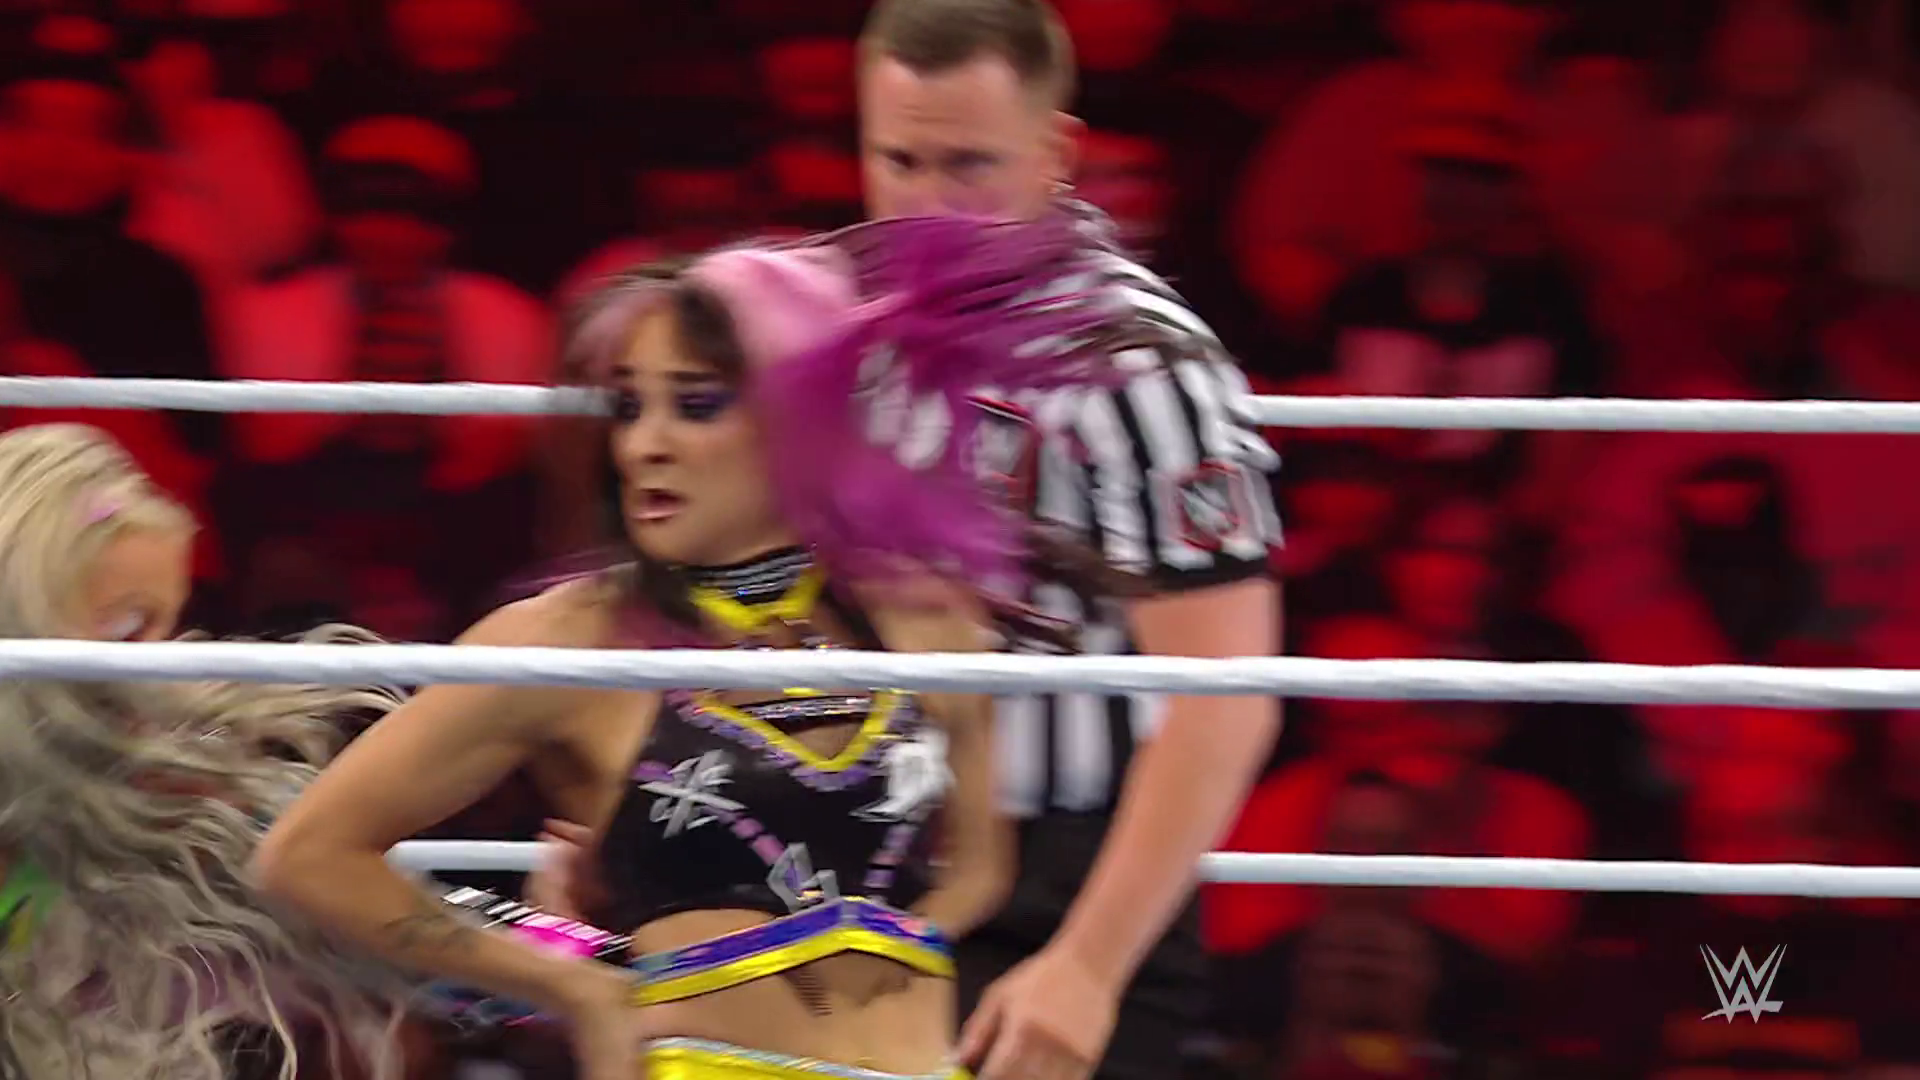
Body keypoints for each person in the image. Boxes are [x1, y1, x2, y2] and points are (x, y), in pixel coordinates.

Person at [251, 213, 1166, 1080]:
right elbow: (310, 854)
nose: (644, 446)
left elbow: (980, 866)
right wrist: (570, 976)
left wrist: (881, 946)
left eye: (696, 405)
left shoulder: (922, 618)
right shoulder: (573, 639)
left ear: (798, 420)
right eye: (628, 408)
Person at [853, 5, 1283, 1080]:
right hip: (867, 842)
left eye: (970, 166)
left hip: (1061, 876)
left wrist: (1088, 965)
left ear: (1057, 152)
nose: (930, 205)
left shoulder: (1139, 368)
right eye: (900, 161)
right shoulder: (841, 324)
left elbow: (1228, 697)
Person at [0, 423, 411, 1080]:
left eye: (169, 626)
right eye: (127, 630)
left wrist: (560, 949)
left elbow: (413, 934)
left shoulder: (173, 791)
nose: (162, 669)